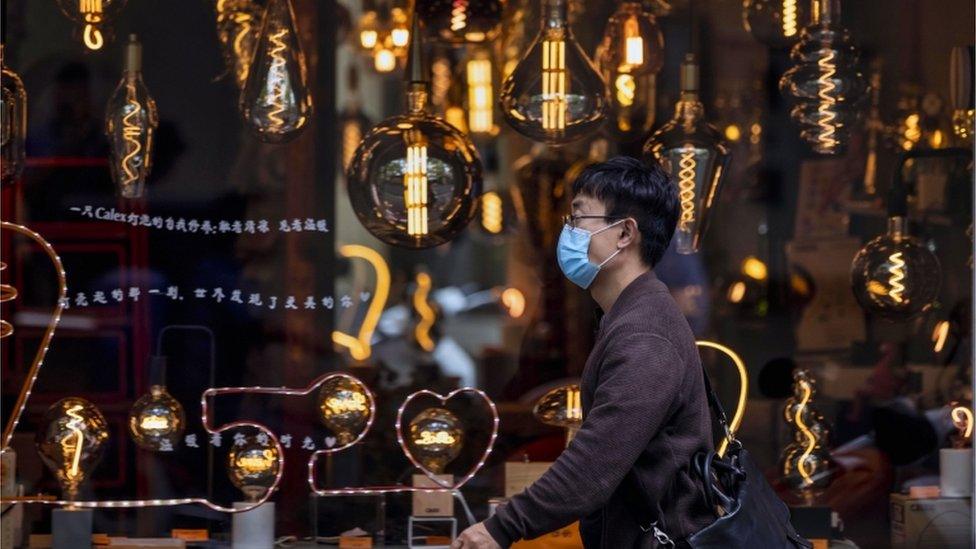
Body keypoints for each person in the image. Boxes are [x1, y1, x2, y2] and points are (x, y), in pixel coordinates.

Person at [452, 157, 714, 548]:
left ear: (625, 234)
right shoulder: (630, 317)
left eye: (578, 219)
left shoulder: (645, 334)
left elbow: (595, 464)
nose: (567, 233)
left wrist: (501, 527)